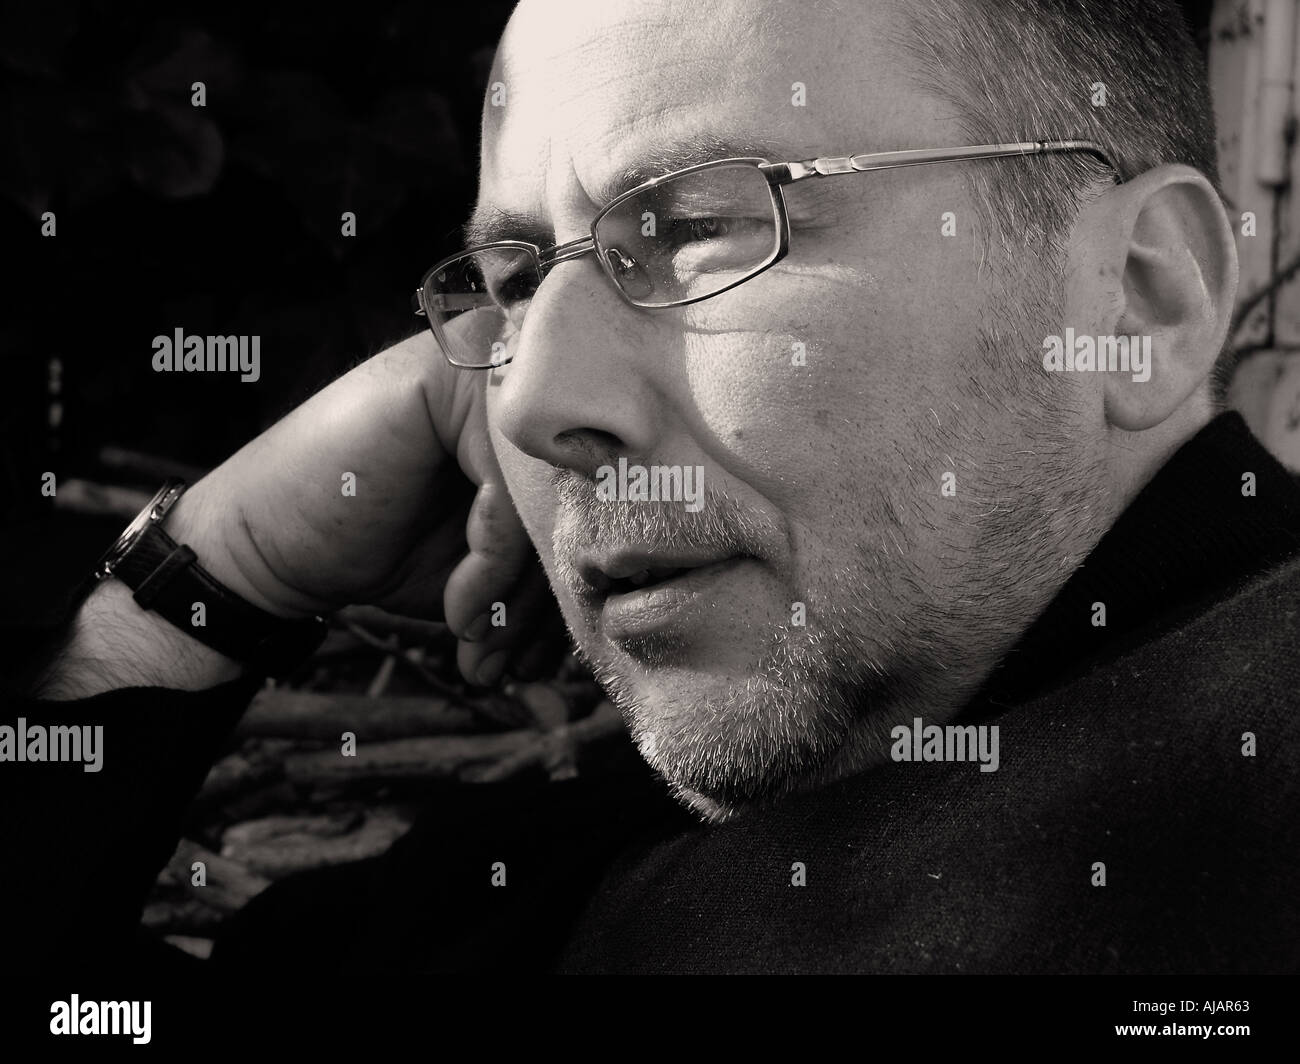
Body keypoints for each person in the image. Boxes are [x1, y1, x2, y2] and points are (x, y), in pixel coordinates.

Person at [4, 0, 1298, 973]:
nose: (527, 397)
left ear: (1136, 301)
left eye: (696, 227)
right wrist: (217, 575)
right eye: (512, 279)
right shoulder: (572, 870)